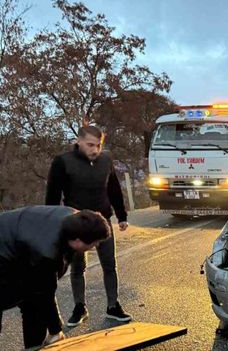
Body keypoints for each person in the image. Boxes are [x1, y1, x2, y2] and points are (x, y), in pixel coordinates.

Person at [45, 126, 132, 327]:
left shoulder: (106, 161)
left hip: (103, 223)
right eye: (90, 145)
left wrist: (122, 216)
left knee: (109, 265)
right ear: (79, 142)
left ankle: (113, 306)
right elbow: (52, 195)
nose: (95, 149)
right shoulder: (63, 162)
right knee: (78, 268)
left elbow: (114, 189)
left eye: (98, 145)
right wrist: (51, 222)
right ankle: (79, 307)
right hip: (77, 224)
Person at [0, 206, 110, 349]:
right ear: (77, 240)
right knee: (30, 298)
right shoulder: (46, 252)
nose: (95, 246)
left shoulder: (74, 219)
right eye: (94, 243)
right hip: (6, 253)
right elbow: (45, 291)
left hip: (16, 248)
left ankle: (34, 347)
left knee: (33, 304)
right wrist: (55, 330)